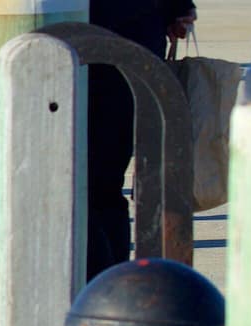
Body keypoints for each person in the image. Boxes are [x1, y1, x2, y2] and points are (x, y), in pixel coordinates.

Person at [85, 0, 197, 279]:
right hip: (133, 40)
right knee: (103, 184)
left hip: (103, 42)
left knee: (91, 183)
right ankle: (111, 280)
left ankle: (101, 279)